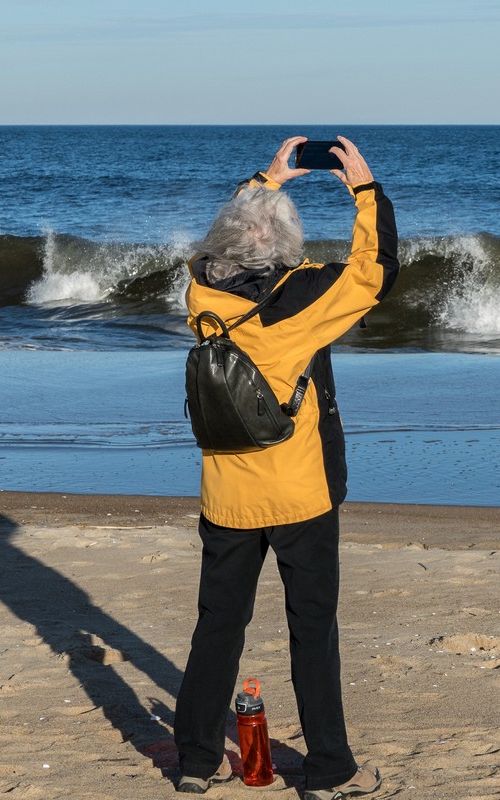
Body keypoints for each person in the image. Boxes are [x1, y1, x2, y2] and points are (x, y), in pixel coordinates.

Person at [173, 136, 398, 798]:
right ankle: (329, 770)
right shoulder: (299, 301)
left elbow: (221, 235)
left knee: (218, 625)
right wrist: (365, 189)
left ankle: (195, 759)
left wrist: (265, 183)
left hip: (226, 492)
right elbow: (374, 270)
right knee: (311, 631)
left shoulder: (198, 291)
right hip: (299, 494)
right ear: (285, 246)